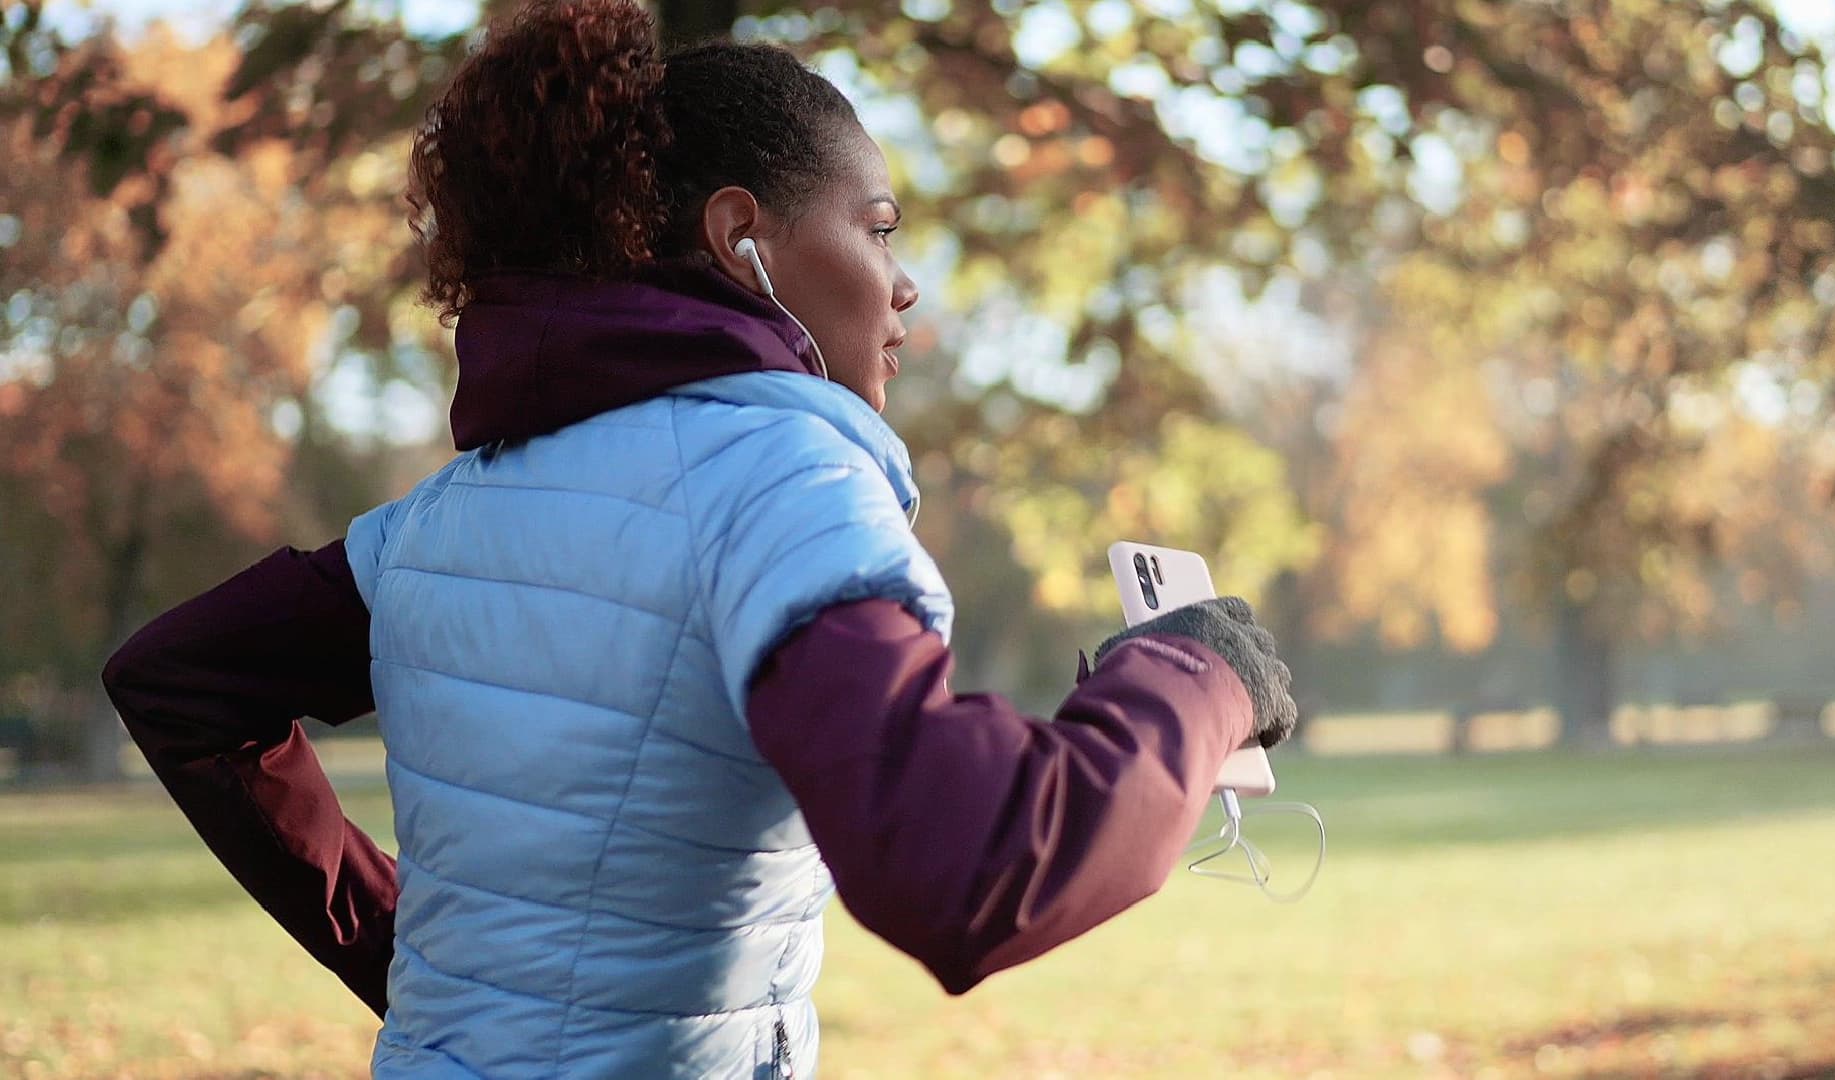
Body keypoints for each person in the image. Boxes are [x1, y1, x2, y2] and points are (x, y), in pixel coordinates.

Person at [100, 2, 1299, 1076]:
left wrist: (416, 963)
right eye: (877, 228)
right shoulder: (780, 482)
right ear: (743, 241)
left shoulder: (438, 517)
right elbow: (970, 868)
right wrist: (1196, 677)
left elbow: (178, 680)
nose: (903, 283)